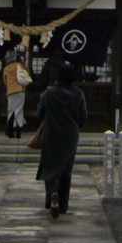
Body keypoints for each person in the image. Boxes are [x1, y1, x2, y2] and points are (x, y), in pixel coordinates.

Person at [36, 62, 88, 219]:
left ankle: (51, 195)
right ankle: (63, 203)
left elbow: (40, 112)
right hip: (70, 136)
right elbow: (83, 116)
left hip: (51, 133)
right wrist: (76, 126)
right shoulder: (78, 94)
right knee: (66, 169)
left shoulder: (49, 92)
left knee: (50, 166)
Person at [2, 50, 31, 138]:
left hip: (10, 91)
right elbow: (26, 74)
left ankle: (10, 131)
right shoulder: (19, 65)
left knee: (11, 110)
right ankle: (18, 131)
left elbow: (4, 81)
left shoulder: (6, 69)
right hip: (20, 90)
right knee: (19, 110)